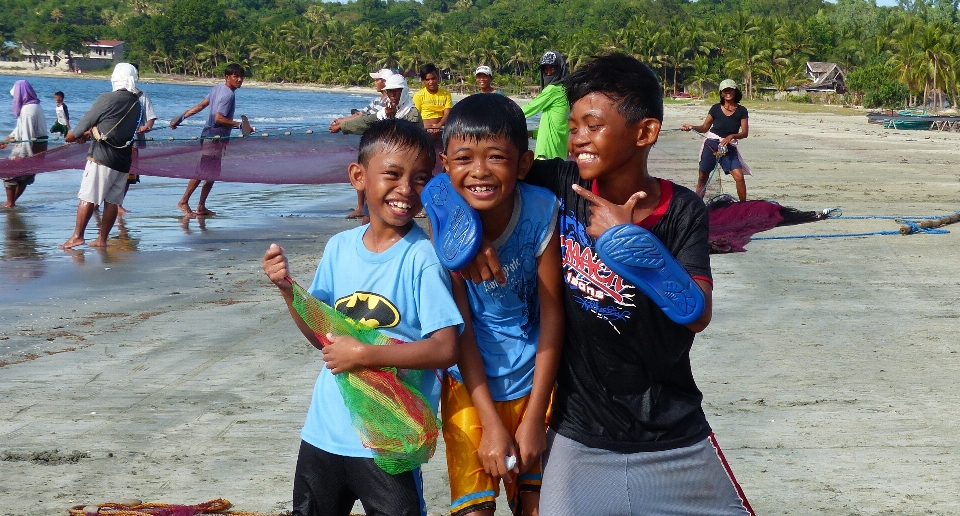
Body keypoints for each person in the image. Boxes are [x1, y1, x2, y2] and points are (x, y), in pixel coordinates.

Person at [456, 53, 754, 515]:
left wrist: (631, 244)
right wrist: (465, 236)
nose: (578, 141)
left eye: (592, 126)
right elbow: (464, 176)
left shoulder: (683, 213)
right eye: (573, 127)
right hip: (579, 434)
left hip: (673, 432)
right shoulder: (560, 183)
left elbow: (697, 313)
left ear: (645, 133)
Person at [261, 118, 464, 516]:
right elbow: (322, 335)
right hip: (324, 432)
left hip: (389, 438)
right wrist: (289, 290)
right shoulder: (339, 248)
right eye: (392, 174)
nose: (406, 189)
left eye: (421, 179)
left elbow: (445, 348)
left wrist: (364, 355)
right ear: (359, 176)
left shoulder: (422, 258)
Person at [434, 93, 563, 516]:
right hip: (469, 388)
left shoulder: (541, 210)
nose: (480, 171)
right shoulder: (447, 232)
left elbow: (552, 314)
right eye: (464, 159)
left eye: (496, 157)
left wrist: (532, 423)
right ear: (446, 163)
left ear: (523, 164)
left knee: (536, 502)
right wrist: (489, 423)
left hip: (534, 381)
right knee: (475, 509)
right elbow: (461, 328)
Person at [59, 63, 143, 249]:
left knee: (88, 197)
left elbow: (79, 129)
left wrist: (73, 136)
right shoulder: (137, 104)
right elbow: (121, 130)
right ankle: (102, 240)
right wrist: (91, 133)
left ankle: (77, 236)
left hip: (102, 158)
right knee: (112, 201)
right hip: (123, 162)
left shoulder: (107, 98)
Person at [169, 63, 246, 217]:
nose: (239, 79)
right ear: (227, 77)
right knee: (203, 171)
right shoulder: (228, 95)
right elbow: (219, 118)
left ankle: (202, 206)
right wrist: (239, 125)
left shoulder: (217, 88)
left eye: (241, 76)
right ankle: (183, 201)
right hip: (214, 136)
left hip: (212, 135)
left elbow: (201, 105)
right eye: (235, 76)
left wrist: (182, 116)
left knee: (212, 173)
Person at [330, 67, 394, 219]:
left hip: (380, 141)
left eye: (378, 80)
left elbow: (368, 119)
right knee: (363, 169)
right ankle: (362, 206)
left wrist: (342, 126)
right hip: (371, 140)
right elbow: (361, 114)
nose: (375, 83)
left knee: (365, 171)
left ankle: (364, 207)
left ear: (385, 82)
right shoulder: (379, 100)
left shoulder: (387, 102)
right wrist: (342, 120)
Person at [681, 79, 750, 201]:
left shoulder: (742, 111)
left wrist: (731, 136)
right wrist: (691, 127)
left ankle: (743, 206)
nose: (728, 92)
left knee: (739, 177)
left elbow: (745, 133)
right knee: (703, 177)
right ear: (722, 93)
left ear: (735, 92)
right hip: (711, 145)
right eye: (725, 90)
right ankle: (698, 204)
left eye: (730, 90)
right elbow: (704, 128)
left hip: (729, 148)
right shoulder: (715, 109)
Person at [2, 80, 48, 208]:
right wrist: (9, 138)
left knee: (9, 173)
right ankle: (12, 202)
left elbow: (27, 134)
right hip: (40, 145)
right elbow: (22, 129)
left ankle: (10, 203)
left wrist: (23, 154)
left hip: (30, 146)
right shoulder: (35, 105)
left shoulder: (27, 110)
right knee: (25, 175)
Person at [121, 64, 159, 214]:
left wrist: (146, 127)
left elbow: (151, 118)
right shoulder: (116, 95)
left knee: (129, 175)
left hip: (135, 142)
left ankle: (118, 204)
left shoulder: (142, 96)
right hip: (118, 142)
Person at [521, 51, 570, 160]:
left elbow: (528, 109)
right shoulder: (566, 92)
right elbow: (558, 125)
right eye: (545, 69)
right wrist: (533, 134)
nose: (548, 73)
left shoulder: (553, 89)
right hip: (560, 155)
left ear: (559, 69)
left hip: (546, 154)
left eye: (552, 69)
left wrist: (503, 115)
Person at [338, 75, 423, 134]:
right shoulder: (385, 111)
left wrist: (392, 119)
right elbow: (367, 121)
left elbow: (406, 137)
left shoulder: (412, 113)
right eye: (389, 91)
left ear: (403, 92)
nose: (392, 95)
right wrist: (342, 126)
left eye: (396, 91)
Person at [412, 63, 452, 141]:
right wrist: (426, 128)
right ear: (423, 80)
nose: (431, 82)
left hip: (441, 132)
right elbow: (416, 116)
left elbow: (448, 113)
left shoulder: (446, 94)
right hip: (424, 133)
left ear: (438, 77)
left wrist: (439, 125)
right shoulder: (418, 95)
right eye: (428, 79)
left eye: (433, 78)